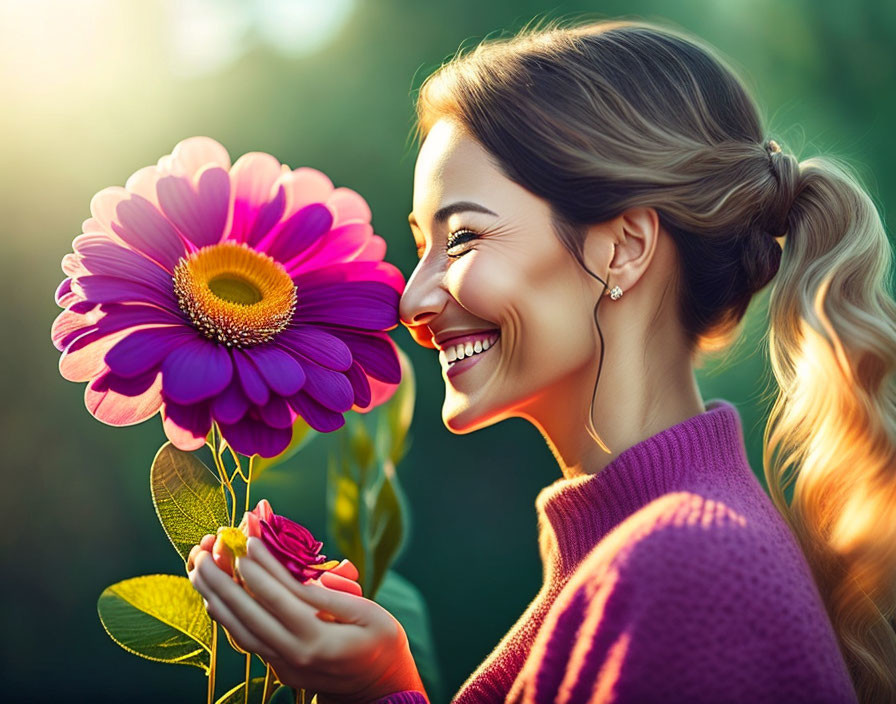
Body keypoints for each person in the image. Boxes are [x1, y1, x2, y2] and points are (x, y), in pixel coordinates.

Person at [188, 17, 896, 704]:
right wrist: (381, 685)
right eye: (421, 245)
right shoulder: (640, 561)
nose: (411, 300)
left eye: (461, 237)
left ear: (623, 249)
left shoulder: (689, 569)